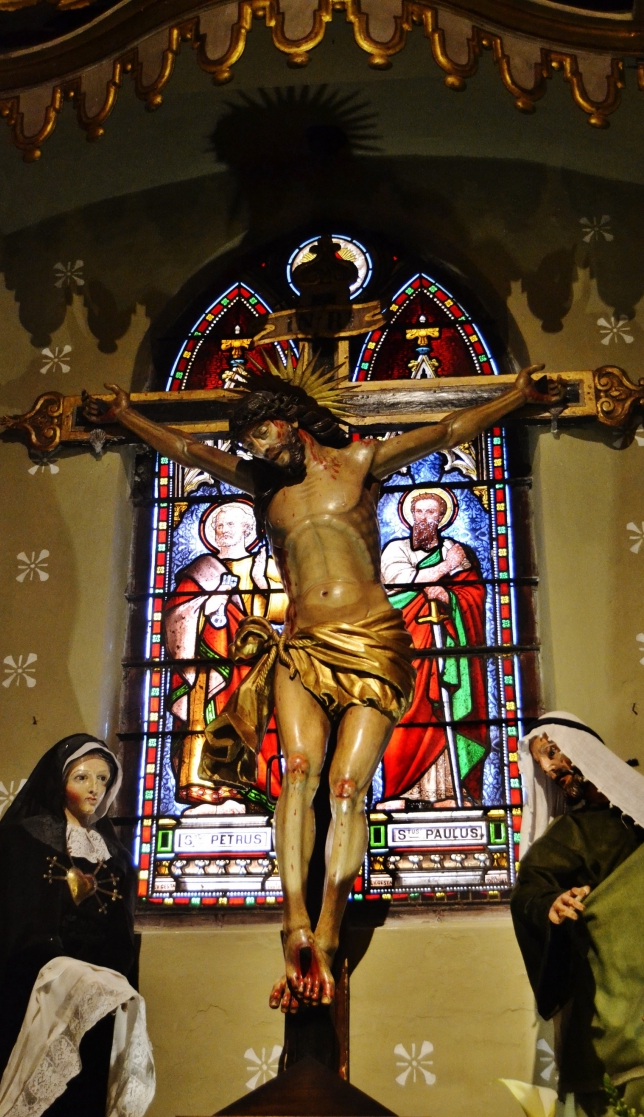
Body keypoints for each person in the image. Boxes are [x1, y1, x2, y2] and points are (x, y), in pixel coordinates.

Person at [83, 355, 557, 1013]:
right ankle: (294, 921)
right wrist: (129, 417)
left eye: (257, 435)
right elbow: (187, 446)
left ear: (289, 422)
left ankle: (330, 927)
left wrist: (515, 397)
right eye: (245, 442)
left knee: (346, 785)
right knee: (298, 770)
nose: (249, 450)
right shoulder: (259, 484)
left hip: (370, 638)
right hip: (302, 644)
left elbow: (448, 431)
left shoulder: (360, 461)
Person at [511, 711, 644, 1117]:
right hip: (615, 1032)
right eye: (540, 762)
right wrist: (551, 906)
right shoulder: (566, 836)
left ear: (584, 751)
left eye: (552, 752)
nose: (549, 768)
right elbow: (530, 891)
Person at [0, 735, 154, 1117]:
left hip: (95, 990)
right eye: (84, 777)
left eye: (103, 780)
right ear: (60, 780)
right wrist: (53, 956)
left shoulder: (116, 857)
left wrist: (114, 974)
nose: (95, 789)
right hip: (34, 979)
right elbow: (14, 917)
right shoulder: (23, 839)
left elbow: (120, 930)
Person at [164, 498, 286, 806]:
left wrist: (260, 587)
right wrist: (208, 606)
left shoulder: (263, 566)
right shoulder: (201, 569)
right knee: (207, 719)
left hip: (254, 667)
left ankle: (248, 788)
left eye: (230, 524)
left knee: (255, 724)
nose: (222, 531)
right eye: (218, 526)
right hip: (210, 667)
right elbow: (177, 615)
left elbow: (289, 610)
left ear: (247, 529)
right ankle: (207, 785)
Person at [380, 488, 488, 807]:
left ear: (442, 518)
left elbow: (474, 596)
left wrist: (451, 598)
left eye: (432, 513)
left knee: (445, 711)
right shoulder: (395, 550)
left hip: (445, 649)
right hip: (404, 650)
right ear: (410, 516)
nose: (425, 518)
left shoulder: (457, 551)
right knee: (404, 713)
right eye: (420, 512)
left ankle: (448, 792)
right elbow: (397, 585)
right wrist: (443, 569)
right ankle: (399, 792)